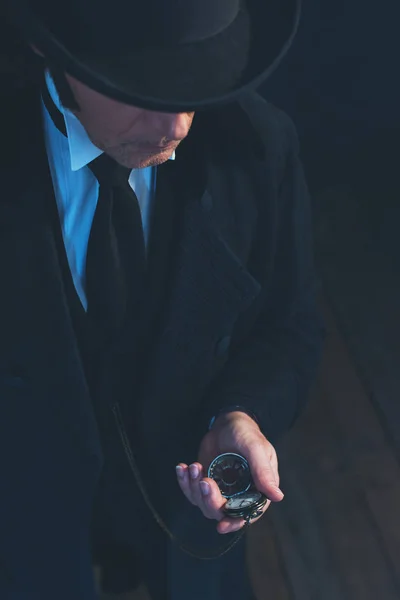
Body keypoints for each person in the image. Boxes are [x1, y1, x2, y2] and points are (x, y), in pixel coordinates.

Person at [0, 0, 324, 598]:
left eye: (194, 83)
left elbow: (289, 326)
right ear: (49, 47)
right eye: (141, 86)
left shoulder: (257, 146)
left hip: (189, 544)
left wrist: (242, 412)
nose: (175, 125)